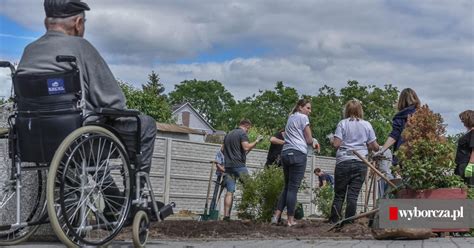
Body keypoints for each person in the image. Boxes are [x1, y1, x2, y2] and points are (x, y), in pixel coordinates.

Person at [16, 0, 157, 173]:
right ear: (78, 23)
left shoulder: (28, 51)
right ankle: (138, 188)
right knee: (145, 123)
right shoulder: (81, 47)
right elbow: (113, 102)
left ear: (46, 22)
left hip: (33, 142)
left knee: (92, 138)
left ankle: (113, 199)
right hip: (79, 140)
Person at [329, 100, 379, 223]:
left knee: (339, 194)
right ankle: (349, 222)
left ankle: (334, 221)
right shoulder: (367, 125)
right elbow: (375, 146)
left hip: (343, 161)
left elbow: (336, 144)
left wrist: (331, 139)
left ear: (346, 110)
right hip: (360, 162)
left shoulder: (342, 123)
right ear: (360, 110)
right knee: (353, 195)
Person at [271, 99, 319, 227]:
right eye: (308, 108)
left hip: (285, 153)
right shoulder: (303, 118)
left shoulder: (291, 118)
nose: (310, 111)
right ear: (300, 107)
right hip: (298, 154)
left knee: (287, 187)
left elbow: (289, 136)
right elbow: (308, 139)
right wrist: (314, 142)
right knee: (293, 188)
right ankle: (290, 220)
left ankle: (276, 216)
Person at [222, 119, 262, 221]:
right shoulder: (242, 133)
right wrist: (256, 141)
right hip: (239, 166)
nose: (248, 131)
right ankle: (244, 212)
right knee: (250, 187)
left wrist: (231, 157)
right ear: (247, 126)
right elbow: (246, 147)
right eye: (248, 129)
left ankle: (226, 216)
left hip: (228, 167)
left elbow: (222, 150)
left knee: (229, 192)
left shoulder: (228, 134)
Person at [376, 88, 420, 167]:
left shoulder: (400, 117)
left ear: (401, 101)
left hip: (403, 155)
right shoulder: (421, 115)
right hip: (420, 154)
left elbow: (394, 136)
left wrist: (381, 151)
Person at [454, 110, 474, 187]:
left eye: (463, 119)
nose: (462, 121)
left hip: (466, 165)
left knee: (468, 188)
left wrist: (471, 165)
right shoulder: (469, 132)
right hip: (461, 164)